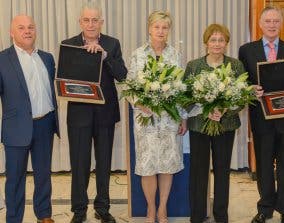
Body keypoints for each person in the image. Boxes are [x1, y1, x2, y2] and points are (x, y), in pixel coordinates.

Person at [61, 2, 127, 223]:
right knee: (79, 164)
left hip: (105, 115)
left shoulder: (112, 44)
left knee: (104, 162)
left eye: (95, 20)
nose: (91, 24)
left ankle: (102, 207)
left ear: (101, 22)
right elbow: (64, 81)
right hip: (78, 115)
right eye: (86, 20)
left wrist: (106, 56)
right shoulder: (68, 45)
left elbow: (122, 76)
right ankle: (79, 211)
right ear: (80, 22)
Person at [239, 6, 284, 223]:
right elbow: (241, 81)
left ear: (281, 24)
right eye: (268, 21)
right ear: (260, 24)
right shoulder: (246, 50)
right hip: (261, 119)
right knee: (264, 165)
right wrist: (249, 89)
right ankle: (265, 208)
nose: (272, 24)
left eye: (276, 21)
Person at [127, 11, 187, 223]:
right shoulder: (137, 55)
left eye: (165, 28)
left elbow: (181, 89)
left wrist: (183, 117)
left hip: (169, 121)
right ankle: (151, 209)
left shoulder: (176, 55)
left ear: (169, 30)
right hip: (146, 119)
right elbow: (130, 87)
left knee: (167, 165)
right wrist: (140, 102)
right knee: (148, 166)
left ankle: (162, 208)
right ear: (149, 29)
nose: (160, 31)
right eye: (157, 27)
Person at [0, 15, 58, 223]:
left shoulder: (48, 58)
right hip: (16, 128)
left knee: (43, 175)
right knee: (15, 179)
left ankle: (44, 215)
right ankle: (14, 219)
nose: (27, 31)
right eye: (21, 27)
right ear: (11, 32)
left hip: (45, 123)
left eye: (31, 27)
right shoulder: (2, 59)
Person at [184, 23, 245, 223]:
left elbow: (242, 98)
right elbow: (185, 97)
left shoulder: (235, 65)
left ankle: (221, 215)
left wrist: (225, 110)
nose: (217, 44)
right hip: (199, 126)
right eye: (213, 40)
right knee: (198, 171)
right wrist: (206, 110)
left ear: (226, 43)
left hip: (225, 126)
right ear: (206, 42)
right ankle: (198, 214)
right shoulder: (194, 65)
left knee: (222, 170)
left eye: (221, 40)